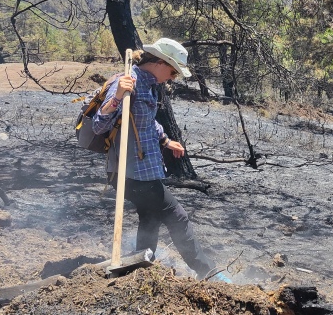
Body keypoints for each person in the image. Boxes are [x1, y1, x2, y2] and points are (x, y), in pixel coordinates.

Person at [91, 37, 230, 283]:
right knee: (177, 216)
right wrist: (117, 97)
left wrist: (165, 141)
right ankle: (208, 272)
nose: (173, 77)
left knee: (150, 217)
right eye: (173, 71)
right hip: (130, 174)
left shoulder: (149, 84)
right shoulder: (129, 82)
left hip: (143, 171)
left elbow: (145, 121)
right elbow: (98, 126)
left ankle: (140, 268)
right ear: (159, 62)